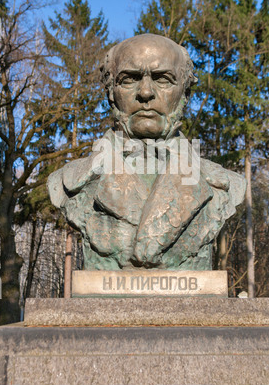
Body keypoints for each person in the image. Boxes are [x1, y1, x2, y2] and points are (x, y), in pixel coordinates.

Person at [48, 34, 246, 270]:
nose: (145, 93)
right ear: (111, 92)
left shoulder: (224, 185)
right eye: (130, 79)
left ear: (185, 91)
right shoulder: (68, 182)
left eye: (163, 79)